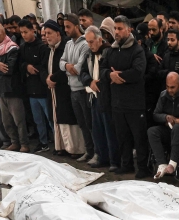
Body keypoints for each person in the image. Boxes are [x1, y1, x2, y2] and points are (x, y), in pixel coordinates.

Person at [102, 15, 149, 178]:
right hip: (117, 102)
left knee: (139, 138)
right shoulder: (111, 50)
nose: (116, 32)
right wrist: (110, 75)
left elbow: (138, 72)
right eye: (115, 28)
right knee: (122, 137)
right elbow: (102, 69)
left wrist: (119, 76)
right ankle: (126, 165)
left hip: (135, 103)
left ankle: (143, 167)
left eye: (120, 29)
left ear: (129, 30)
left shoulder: (137, 50)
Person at [44, 20, 84, 157]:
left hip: (65, 88)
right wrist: (47, 78)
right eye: (45, 33)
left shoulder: (64, 47)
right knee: (57, 118)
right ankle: (62, 146)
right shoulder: (49, 50)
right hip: (53, 89)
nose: (47, 36)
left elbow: (67, 67)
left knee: (69, 118)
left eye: (49, 33)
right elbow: (44, 68)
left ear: (58, 33)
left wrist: (53, 78)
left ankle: (75, 149)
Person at [0, 21, 27, 151]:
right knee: (6, 121)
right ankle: (14, 142)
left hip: (13, 89)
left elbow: (9, 69)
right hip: (1, 90)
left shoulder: (12, 48)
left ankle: (24, 143)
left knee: (19, 120)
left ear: (3, 33)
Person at [84, 26, 120, 169]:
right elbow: (82, 72)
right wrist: (89, 81)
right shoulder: (89, 54)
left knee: (110, 130)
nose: (90, 45)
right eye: (87, 42)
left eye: (92, 41)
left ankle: (114, 160)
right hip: (93, 96)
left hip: (107, 96)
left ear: (100, 39)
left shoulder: (108, 51)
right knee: (97, 129)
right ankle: (101, 156)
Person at [148, 71, 179, 179]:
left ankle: (172, 163)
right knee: (152, 131)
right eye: (167, 87)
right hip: (167, 128)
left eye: (172, 87)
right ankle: (162, 164)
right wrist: (166, 117)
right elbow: (155, 115)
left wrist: (175, 120)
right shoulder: (163, 95)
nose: (169, 90)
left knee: (177, 128)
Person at [59, 14, 93, 161]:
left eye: (68, 26)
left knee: (89, 123)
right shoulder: (68, 44)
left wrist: (68, 68)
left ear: (76, 26)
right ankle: (89, 150)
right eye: (64, 27)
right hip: (72, 90)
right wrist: (68, 66)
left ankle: (96, 151)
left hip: (83, 90)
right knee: (82, 124)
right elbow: (61, 63)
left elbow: (79, 69)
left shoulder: (85, 44)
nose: (66, 30)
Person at [20, 20, 51, 151]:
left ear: (33, 30)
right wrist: (26, 67)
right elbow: (20, 63)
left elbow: (44, 66)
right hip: (31, 90)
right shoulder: (22, 47)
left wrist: (33, 69)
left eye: (26, 32)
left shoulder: (42, 47)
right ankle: (43, 142)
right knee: (38, 120)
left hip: (42, 89)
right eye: (21, 32)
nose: (23, 35)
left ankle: (58, 142)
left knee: (50, 118)